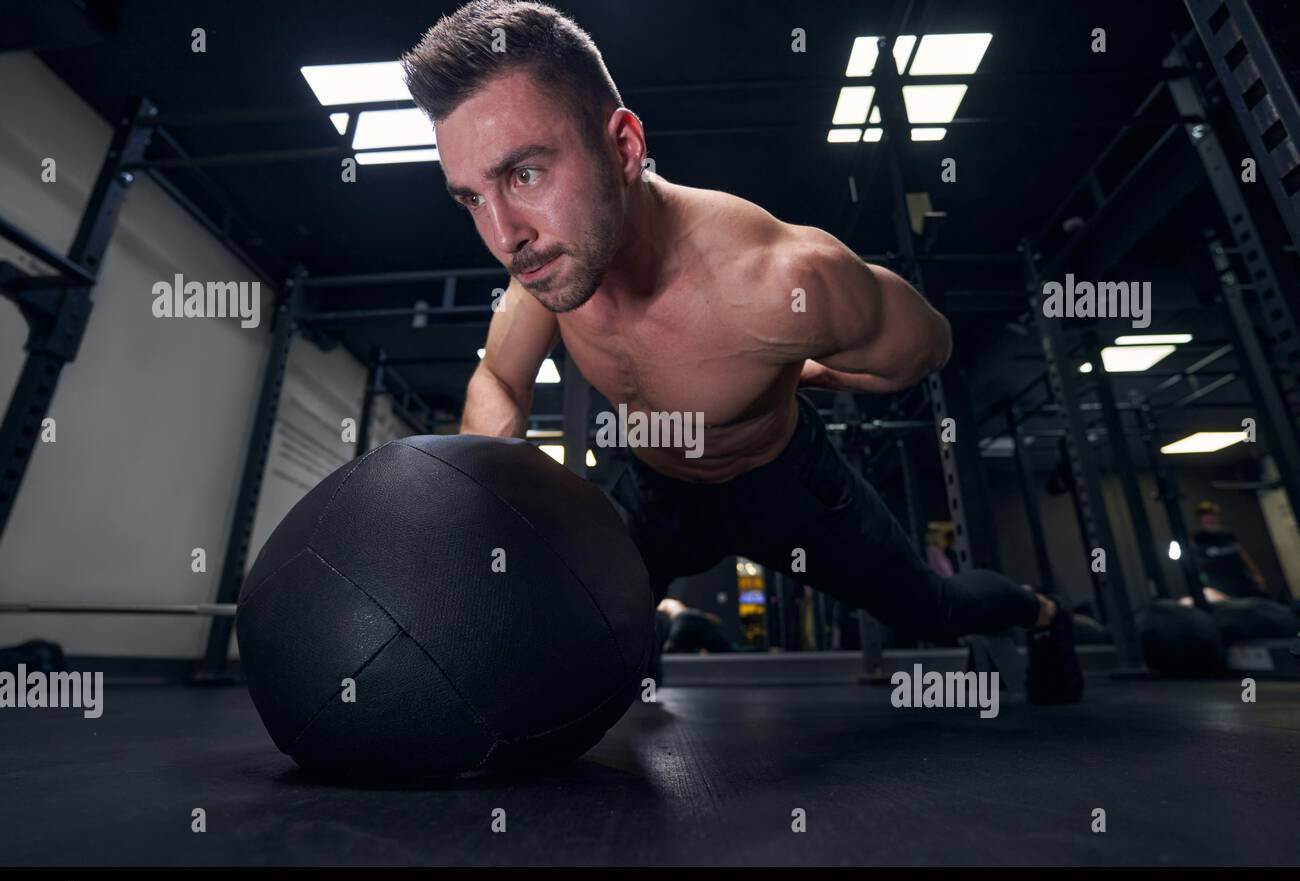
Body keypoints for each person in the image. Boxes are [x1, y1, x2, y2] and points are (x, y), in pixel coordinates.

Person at [401, 1, 1077, 692]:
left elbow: (927, 347)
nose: (503, 232)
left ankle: (1045, 612)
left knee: (934, 611)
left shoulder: (784, 279)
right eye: (471, 199)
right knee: (579, 626)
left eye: (524, 174)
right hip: (660, 490)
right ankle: (647, 623)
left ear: (624, 147)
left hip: (786, 485)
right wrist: (479, 492)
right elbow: (501, 380)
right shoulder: (546, 265)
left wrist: (812, 370)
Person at [1192, 500, 1267, 599]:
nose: (1209, 518)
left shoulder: (1227, 534)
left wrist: (1256, 575)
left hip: (1240, 580)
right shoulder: (1198, 538)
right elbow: (1196, 564)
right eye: (1205, 515)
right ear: (1200, 518)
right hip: (1218, 584)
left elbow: (1242, 554)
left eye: (1212, 514)